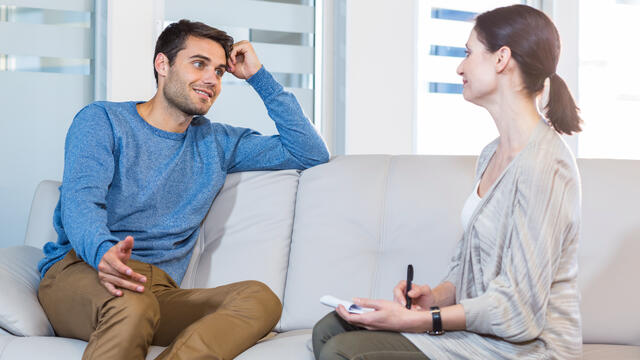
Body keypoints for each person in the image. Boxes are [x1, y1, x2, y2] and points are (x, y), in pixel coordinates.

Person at [37, 19, 329, 360]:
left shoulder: (217, 142)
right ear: (163, 64)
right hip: (83, 271)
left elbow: (309, 151)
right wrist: (103, 251)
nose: (211, 79)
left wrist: (258, 78)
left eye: (219, 71)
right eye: (199, 64)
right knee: (133, 307)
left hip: (156, 290)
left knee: (260, 299)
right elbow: (80, 199)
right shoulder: (102, 120)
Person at [312, 4, 582, 360]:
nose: (460, 66)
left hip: (528, 350)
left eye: (468, 53)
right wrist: (433, 297)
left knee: (345, 352)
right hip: (480, 336)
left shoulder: (545, 165)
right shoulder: (492, 154)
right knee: (331, 328)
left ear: (501, 59)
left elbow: (519, 312)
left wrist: (421, 321)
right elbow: (471, 265)